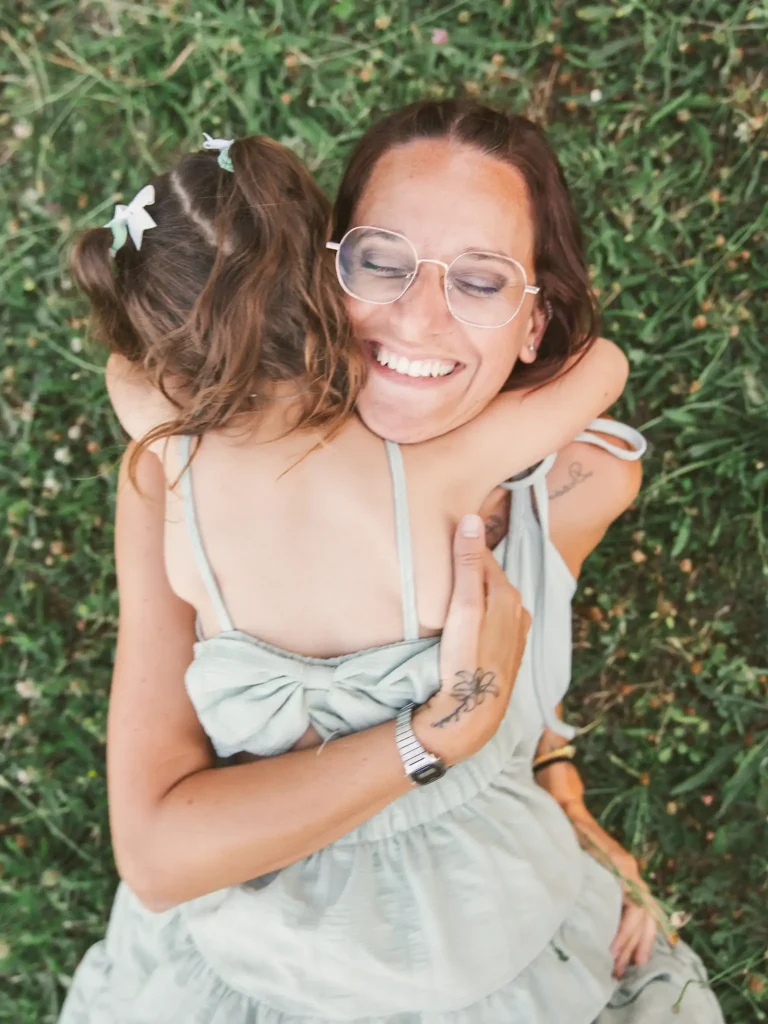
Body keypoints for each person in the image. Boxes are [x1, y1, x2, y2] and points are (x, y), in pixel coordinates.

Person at [59, 102, 723, 1022]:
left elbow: (534, 648)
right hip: (260, 962)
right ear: (314, 273)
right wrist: (438, 735)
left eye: (483, 282)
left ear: (537, 326)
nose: (418, 315)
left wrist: (551, 770)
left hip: (496, 920)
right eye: (380, 260)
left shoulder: (580, 484)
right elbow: (160, 857)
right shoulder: (166, 479)